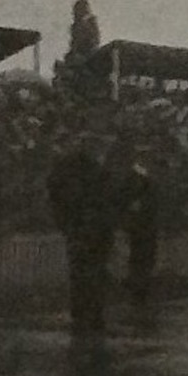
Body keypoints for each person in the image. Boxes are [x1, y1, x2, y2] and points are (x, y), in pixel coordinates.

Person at [47, 131, 122, 335]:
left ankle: (84, 312)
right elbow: (108, 200)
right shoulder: (92, 170)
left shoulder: (74, 168)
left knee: (83, 271)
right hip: (89, 227)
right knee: (91, 271)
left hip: (84, 228)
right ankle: (90, 313)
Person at [120, 147, 160, 310]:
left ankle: (142, 290)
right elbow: (132, 202)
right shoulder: (133, 177)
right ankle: (137, 293)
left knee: (147, 257)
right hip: (139, 224)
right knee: (139, 258)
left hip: (148, 222)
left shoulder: (147, 175)